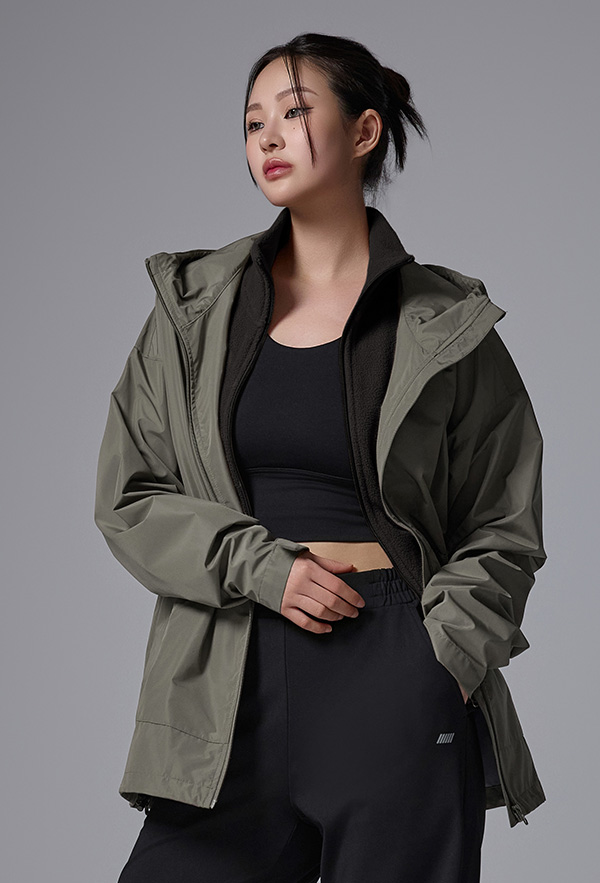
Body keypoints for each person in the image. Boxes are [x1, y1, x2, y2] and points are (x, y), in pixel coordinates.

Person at [94, 32, 547, 883]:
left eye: (294, 113)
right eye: (252, 121)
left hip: (394, 667)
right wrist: (262, 567)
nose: (267, 136)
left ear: (365, 131)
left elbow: (504, 522)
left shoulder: (446, 326)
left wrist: (441, 664)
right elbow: (131, 493)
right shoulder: (193, 312)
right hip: (227, 672)